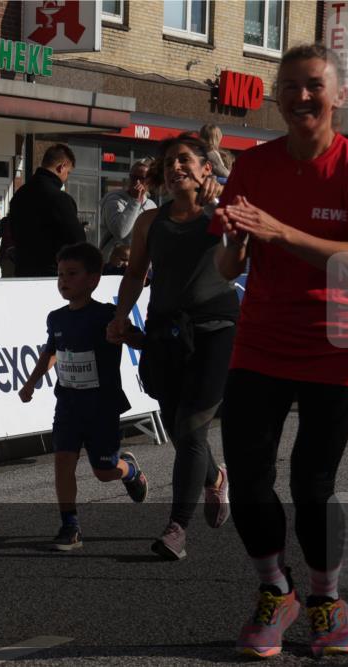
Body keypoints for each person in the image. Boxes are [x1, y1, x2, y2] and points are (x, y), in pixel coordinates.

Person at [212, 44, 348, 659]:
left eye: (313, 85)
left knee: (311, 482)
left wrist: (279, 231)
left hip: (339, 338)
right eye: (288, 86)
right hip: (263, 337)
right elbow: (225, 262)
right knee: (249, 474)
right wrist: (239, 242)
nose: (300, 96)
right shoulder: (254, 165)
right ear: (277, 96)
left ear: (338, 96)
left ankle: (325, 602)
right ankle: (275, 591)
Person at [107, 133, 238, 562]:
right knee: (181, 426)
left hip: (216, 330)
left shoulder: (223, 211)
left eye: (184, 160)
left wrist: (226, 199)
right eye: (168, 164)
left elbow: (249, 239)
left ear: (205, 168)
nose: (175, 168)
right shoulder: (150, 223)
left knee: (189, 427)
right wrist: (121, 316)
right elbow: (135, 274)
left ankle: (178, 526)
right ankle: (214, 476)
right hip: (165, 333)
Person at [19, 242, 149, 551]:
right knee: (63, 462)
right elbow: (51, 352)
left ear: (94, 279)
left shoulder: (106, 314)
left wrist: (128, 334)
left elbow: (138, 341)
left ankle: (129, 470)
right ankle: (69, 525)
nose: (64, 280)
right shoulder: (57, 318)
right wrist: (31, 382)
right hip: (68, 403)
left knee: (104, 473)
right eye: (60, 274)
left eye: (72, 274)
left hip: (101, 405)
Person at [8, 144, 85, 277]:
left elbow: (13, 230)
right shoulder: (60, 199)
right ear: (61, 167)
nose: (66, 178)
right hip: (51, 276)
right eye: (68, 173)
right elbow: (77, 241)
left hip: (22, 273)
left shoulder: (20, 194)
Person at [99, 159, 157, 258]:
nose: (136, 182)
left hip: (140, 263)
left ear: (149, 181)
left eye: (142, 178)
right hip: (114, 263)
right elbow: (120, 231)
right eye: (133, 177)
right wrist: (135, 201)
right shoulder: (114, 200)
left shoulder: (151, 205)